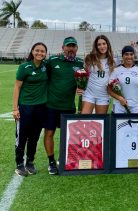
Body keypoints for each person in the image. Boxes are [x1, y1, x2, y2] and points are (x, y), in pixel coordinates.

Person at [44, 37, 84, 175]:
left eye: (73, 46)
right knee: (49, 133)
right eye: (68, 46)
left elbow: (84, 81)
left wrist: (81, 89)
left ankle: (64, 159)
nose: (71, 49)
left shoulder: (80, 63)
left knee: (68, 136)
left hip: (69, 106)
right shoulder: (53, 60)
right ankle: (51, 162)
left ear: (77, 49)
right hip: (51, 105)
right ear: (63, 48)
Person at [12, 42, 48, 176]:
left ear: (45, 54)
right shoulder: (24, 67)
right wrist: (15, 108)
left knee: (34, 137)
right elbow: (17, 88)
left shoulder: (46, 67)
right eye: (37, 50)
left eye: (42, 51)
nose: (40, 53)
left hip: (41, 108)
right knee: (21, 136)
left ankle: (30, 162)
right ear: (32, 51)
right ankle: (19, 164)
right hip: (25, 107)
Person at [108, 45, 138, 114]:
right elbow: (109, 90)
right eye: (126, 54)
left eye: (131, 54)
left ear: (134, 56)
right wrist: (119, 98)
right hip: (119, 107)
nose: (129, 57)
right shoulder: (116, 71)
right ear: (122, 56)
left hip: (135, 108)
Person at [81, 35, 118, 114]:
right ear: (96, 46)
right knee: (84, 120)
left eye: (104, 44)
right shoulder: (89, 58)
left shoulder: (113, 60)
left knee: (100, 123)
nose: (102, 46)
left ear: (107, 44)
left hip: (103, 95)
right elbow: (83, 75)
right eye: (99, 44)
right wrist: (80, 87)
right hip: (89, 94)